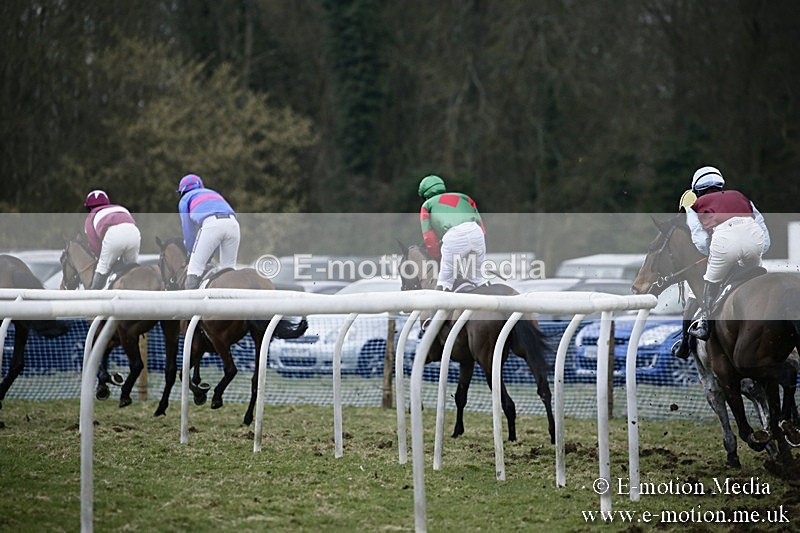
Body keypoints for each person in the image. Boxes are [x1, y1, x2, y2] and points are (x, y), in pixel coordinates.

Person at [683, 166, 770, 342]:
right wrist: (761, 248)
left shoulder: (695, 206)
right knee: (754, 280)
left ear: (697, 190)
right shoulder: (741, 197)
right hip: (755, 240)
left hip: (724, 243)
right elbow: (761, 225)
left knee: (710, 282)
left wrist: (713, 254)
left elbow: (699, 238)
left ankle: (705, 325)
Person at [418, 174, 488, 291]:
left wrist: (437, 255)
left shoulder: (427, 205)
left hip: (453, 236)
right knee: (478, 279)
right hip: (476, 232)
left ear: (425, 195)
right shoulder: (465, 197)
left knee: (445, 282)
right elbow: (481, 227)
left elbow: (428, 237)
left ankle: (441, 302)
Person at [177, 174, 240, 289]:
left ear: (182, 191)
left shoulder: (185, 200)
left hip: (212, 224)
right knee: (229, 270)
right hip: (233, 224)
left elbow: (188, 232)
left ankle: (192, 305)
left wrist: (191, 254)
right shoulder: (213, 193)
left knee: (194, 269)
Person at [83, 190, 141, 290]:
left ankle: (93, 296)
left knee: (102, 268)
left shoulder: (91, 216)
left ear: (89, 207)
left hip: (114, 235)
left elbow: (95, 245)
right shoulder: (120, 208)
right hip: (134, 232)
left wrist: (101, 257)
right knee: (132, 269)